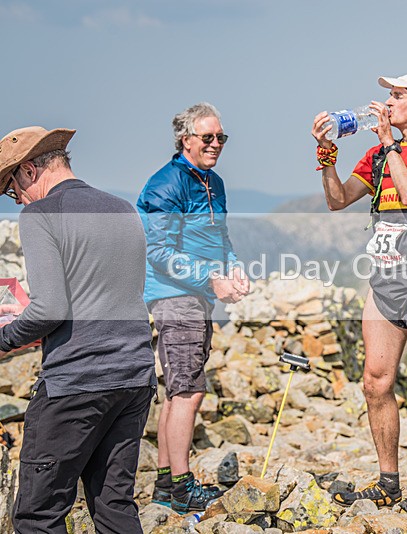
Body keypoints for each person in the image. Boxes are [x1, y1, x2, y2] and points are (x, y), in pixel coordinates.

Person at [311, 73, 407, 518]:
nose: (387, 103)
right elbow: (337, 200)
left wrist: (391, 145)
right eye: (388, 96)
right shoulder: (376, 155)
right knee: (375, 382)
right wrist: (326, 154)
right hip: (385, 280)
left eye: (397, 96)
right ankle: (388, 482)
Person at [0, 126, 156, 533]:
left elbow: (51, 307)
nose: (14, 198)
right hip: (134, 376)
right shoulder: (123, 209)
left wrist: (5, 339)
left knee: (38, 514)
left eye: (11, 187)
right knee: (114, 507)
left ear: (29, 170)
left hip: (76, 382)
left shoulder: (40, 214)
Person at [137, 102, 250, 513]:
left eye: (222, 137)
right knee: (188, 391)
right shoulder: (165, 184)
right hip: (172, 294)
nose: (216, 143)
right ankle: (184, 487)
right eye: (208, 137)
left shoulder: (213, 182)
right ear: (186, 140)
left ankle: (167, 485)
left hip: (196, 295)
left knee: (178, 391)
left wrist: (233, 270)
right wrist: (210, 278)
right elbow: (158, 250)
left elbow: (220, 239)